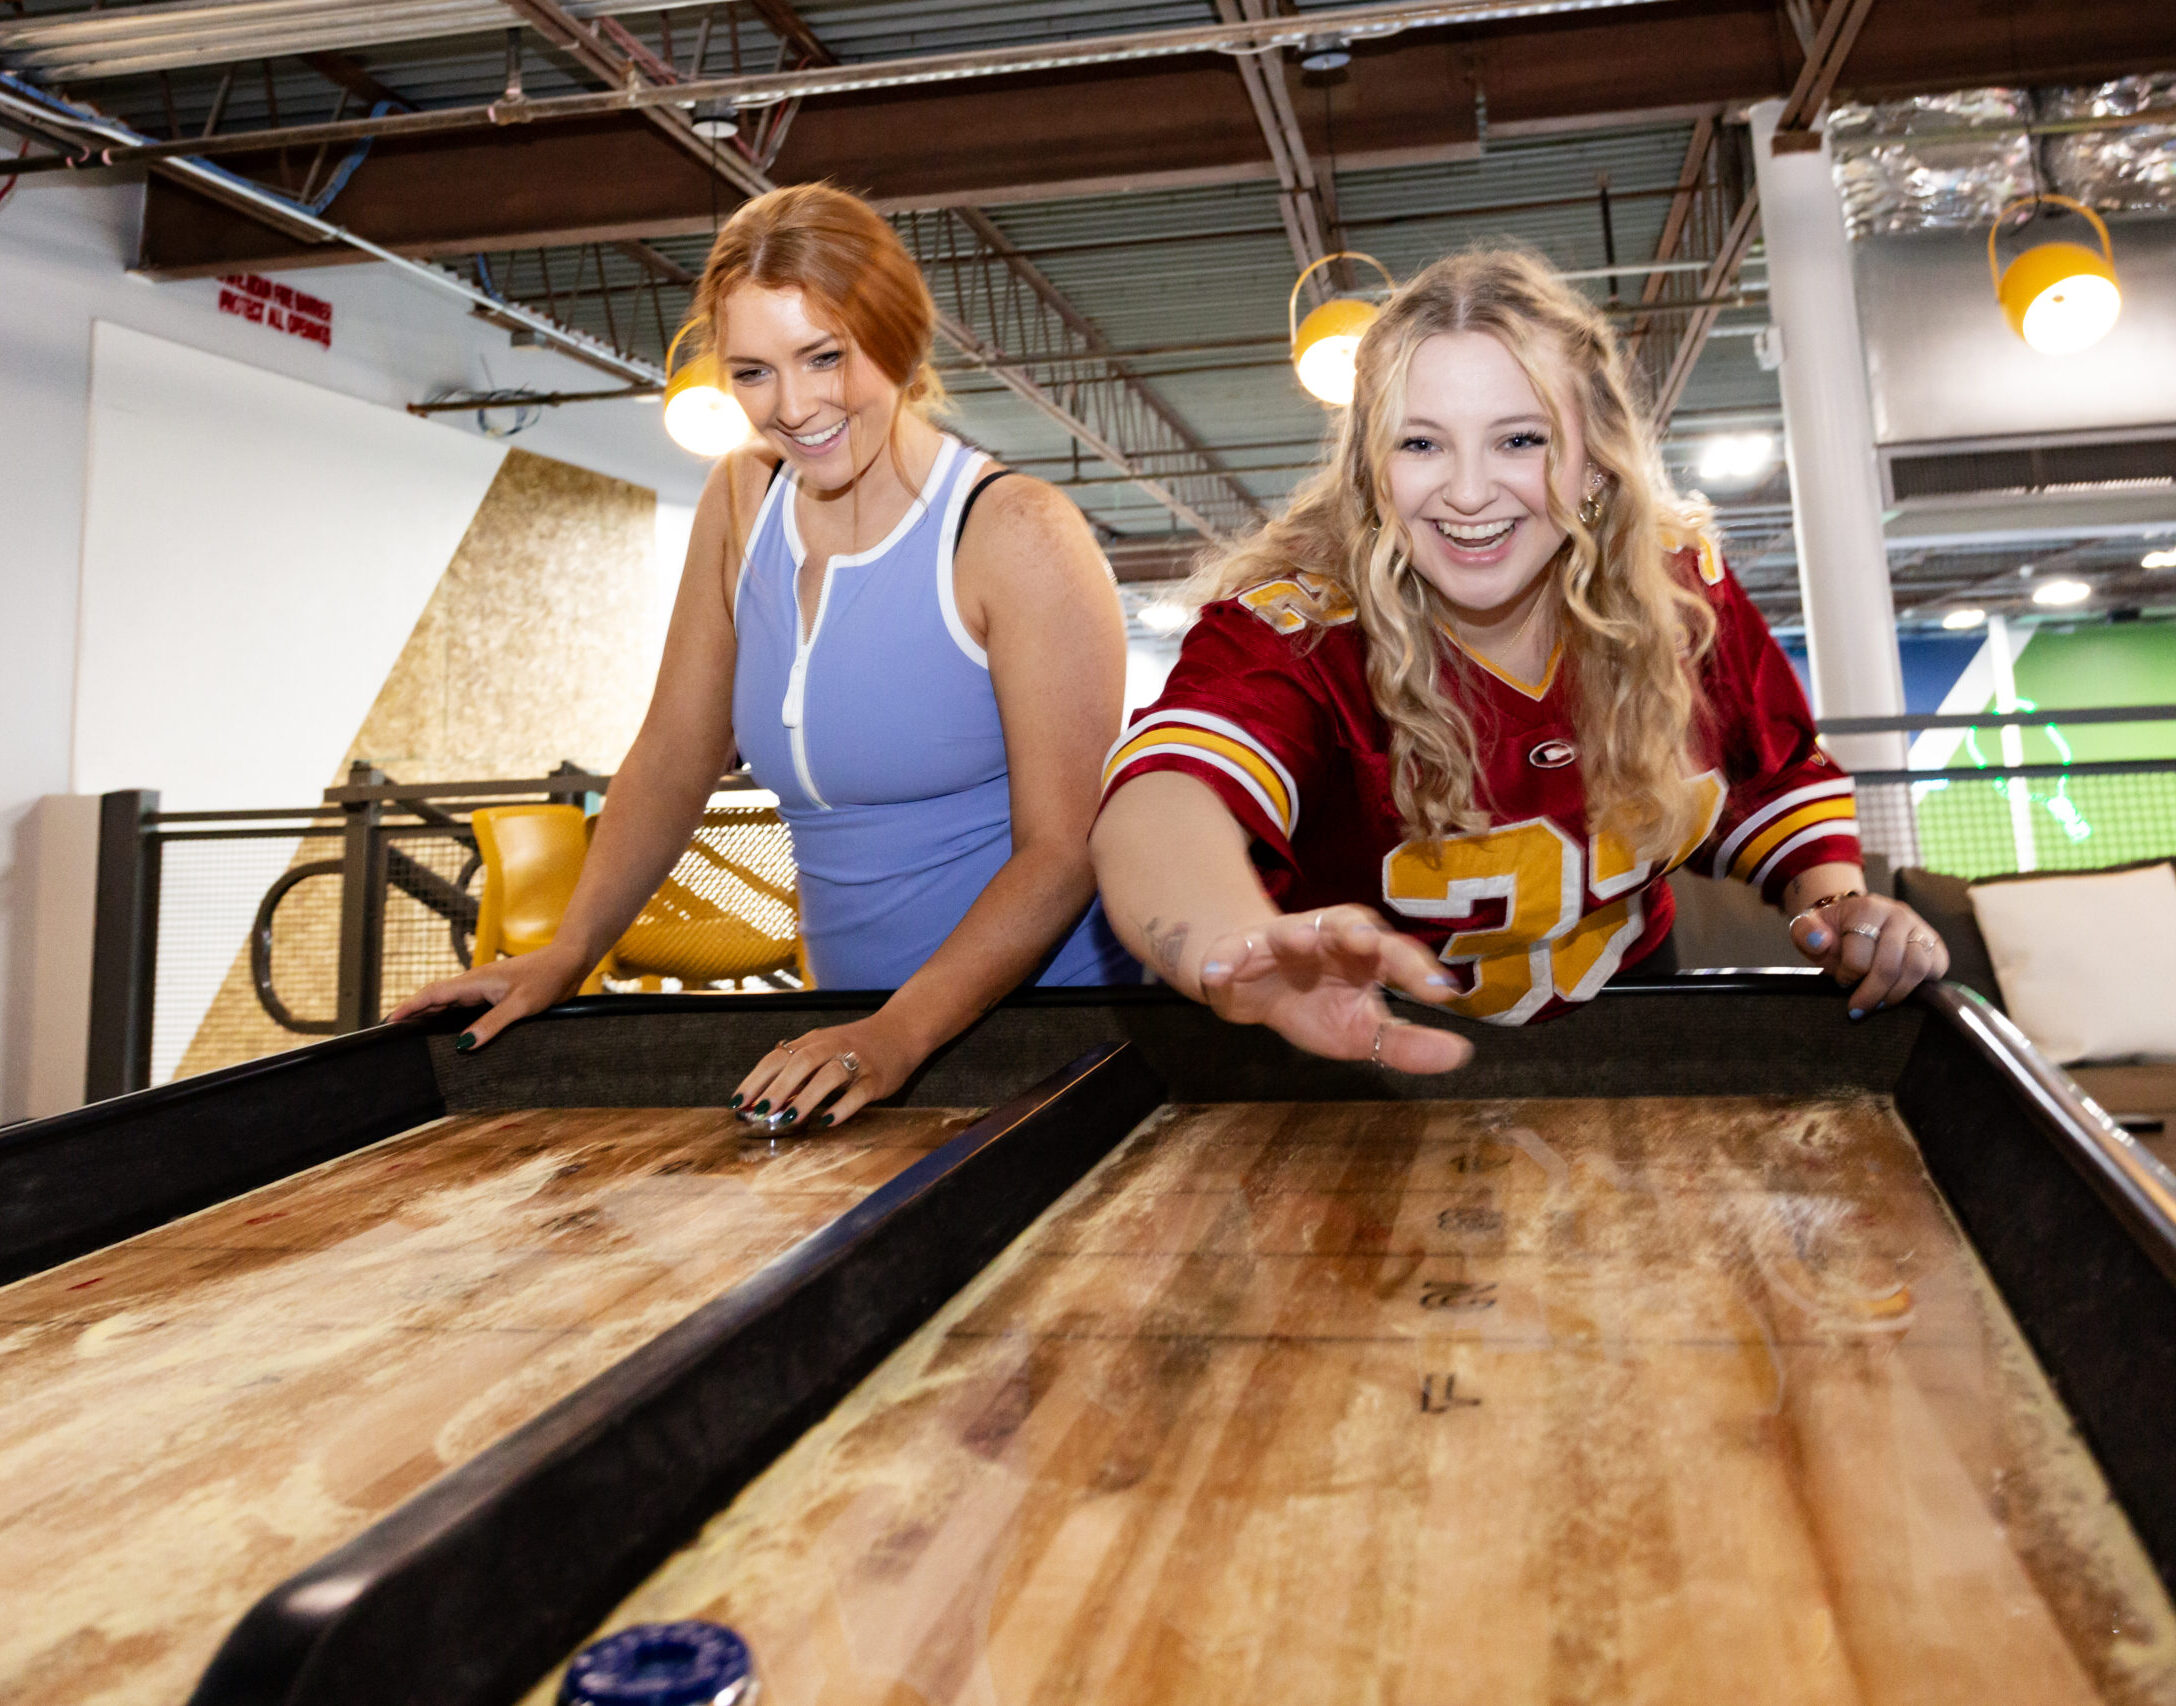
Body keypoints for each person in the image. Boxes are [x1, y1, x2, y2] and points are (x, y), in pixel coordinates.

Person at [1091, 248, 1948, 1073]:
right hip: (1366, 1062)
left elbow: (1773, 774)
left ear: (1594, 464)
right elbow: (1166, 803)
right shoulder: (1303, 634)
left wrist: (1839, 910)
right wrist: (1230, 943)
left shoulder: (1677, 592)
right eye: (1420, 444)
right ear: (1370, 475)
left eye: (1520, 440)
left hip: (1629, 1036)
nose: (1467, 491)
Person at [392, 183, 1136, 1125]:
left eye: (826, 357)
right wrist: (566, 952)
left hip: (1042, 1034)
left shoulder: (1016, 531)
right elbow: (675, 751)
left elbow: (1064, 851)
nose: (794, 407)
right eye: (752, 373)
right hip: (843, 1042)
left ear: (900, 337)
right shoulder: (743, 500)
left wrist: (898, 1033)